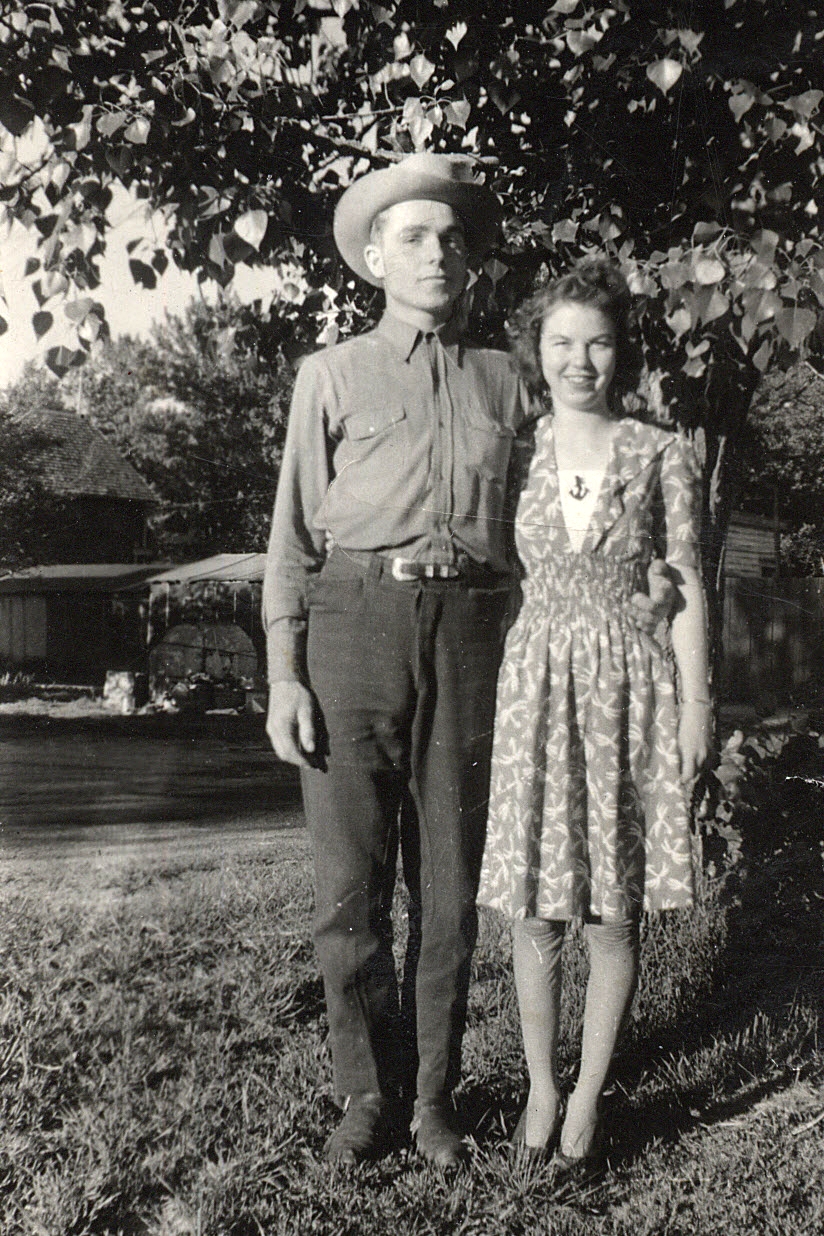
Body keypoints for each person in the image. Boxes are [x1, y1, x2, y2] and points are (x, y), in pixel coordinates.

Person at [263, 155, 675, 1169]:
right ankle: (365, 1098)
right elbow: (290, 539)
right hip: (352, 621)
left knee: (449, 889)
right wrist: (282, 668)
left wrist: (646, 582)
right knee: (350, 888)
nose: (435, 254)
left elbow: (579, 495)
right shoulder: (330, 374)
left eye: (450, 238)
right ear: (373, 257)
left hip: (477, 632)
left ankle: (432, 1102)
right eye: (412, 236)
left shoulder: (506, 378)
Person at [477, 258, 712, 1172]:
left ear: (623, 351)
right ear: (538, 350)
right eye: (563, 342)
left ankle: (587, 1097)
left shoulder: (661, 451)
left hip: (631, 691)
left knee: (614, 912)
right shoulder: (513, 450)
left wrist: (696, 704)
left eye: (599, 342)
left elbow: (683, 581)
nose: (581, 360)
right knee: (533, 906)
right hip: (534, 687)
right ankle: (540, 1082)